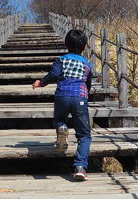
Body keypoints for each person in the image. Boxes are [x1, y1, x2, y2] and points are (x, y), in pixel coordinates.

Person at [32, 28, 93, 181]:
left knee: (59, 119)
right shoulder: (87, 64)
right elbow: (88, 83)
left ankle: (61, 127)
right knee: (84, 135)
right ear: (84, 46)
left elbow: (53, 74)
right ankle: (80, 167)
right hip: (80, 97)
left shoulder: (61, 59)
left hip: (62, 95)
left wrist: (42, 83)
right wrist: (86, 95)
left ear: (66, 44)